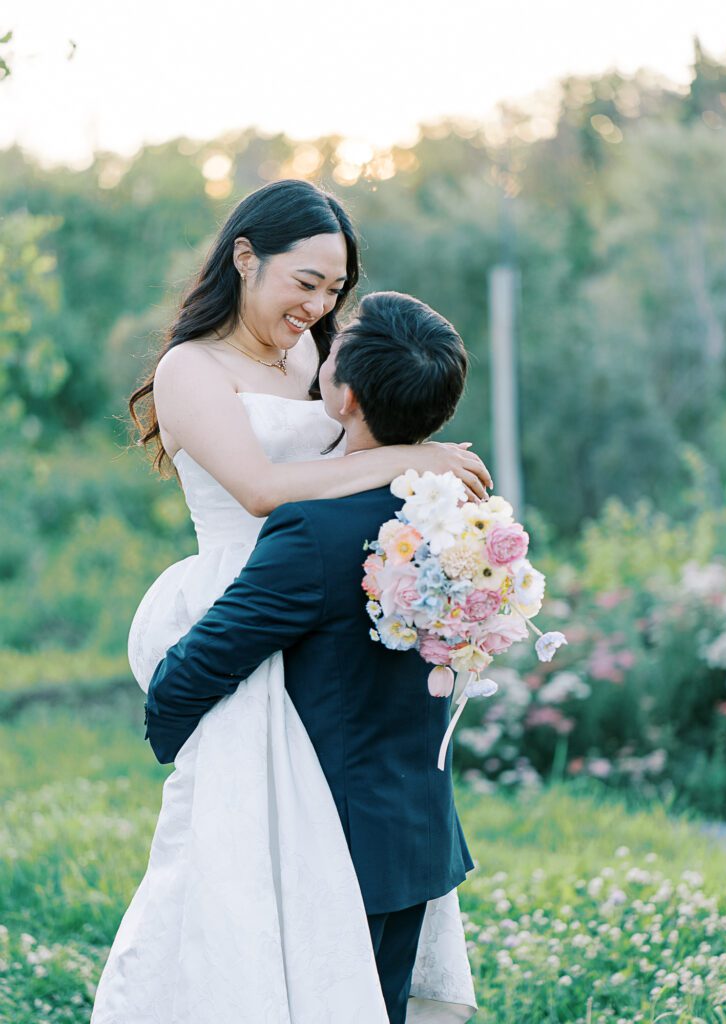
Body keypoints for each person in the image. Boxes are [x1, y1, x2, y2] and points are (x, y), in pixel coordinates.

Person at [90, 181, 484, 1024]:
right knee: (235, 848)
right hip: (246, 588)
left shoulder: (315, 352)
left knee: (314, 836)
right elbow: (265, 486)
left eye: (335, 289)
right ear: (244, 257)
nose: (319, 305)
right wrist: (403, 460)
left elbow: (362, 414)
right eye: (304, 282)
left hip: (324, 605)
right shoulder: (188, 368)